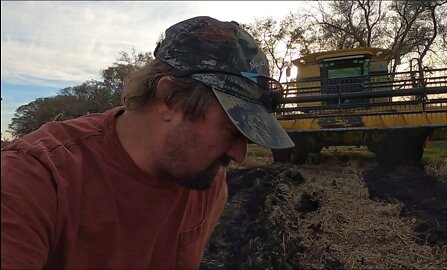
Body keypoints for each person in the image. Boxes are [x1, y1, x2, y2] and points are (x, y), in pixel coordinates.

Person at [1, 16, 294, 269]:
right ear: (171, 98)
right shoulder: (32, 181)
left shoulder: (207, 180)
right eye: (231, 130)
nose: (239, 155)